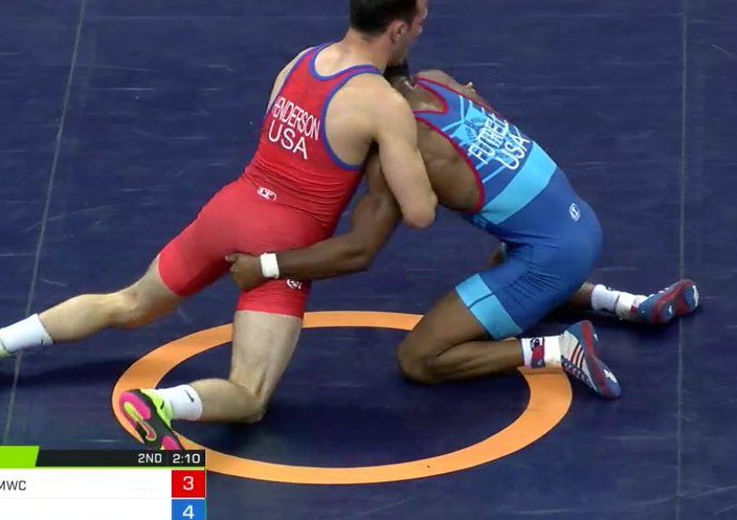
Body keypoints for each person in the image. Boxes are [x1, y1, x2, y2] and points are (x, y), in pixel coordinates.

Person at [0, 0, 438, 451]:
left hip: (228, 211)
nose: (421, 29)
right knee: (250, 396)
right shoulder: (382, 105)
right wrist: (428, 145)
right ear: (397, 30)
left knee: (130, 303)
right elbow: (419, 212)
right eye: (419, 21)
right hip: (281, 245)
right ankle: (161, 404)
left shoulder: (301, 61)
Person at [227, 65, 699, 398]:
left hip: (548, 259)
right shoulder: (441, 83)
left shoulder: (403, 152)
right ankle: (630, 305)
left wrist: (266, 266)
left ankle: (559, 348)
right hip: (577, 223)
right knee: (510, 268)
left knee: (419, 359)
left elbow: (359, 251)